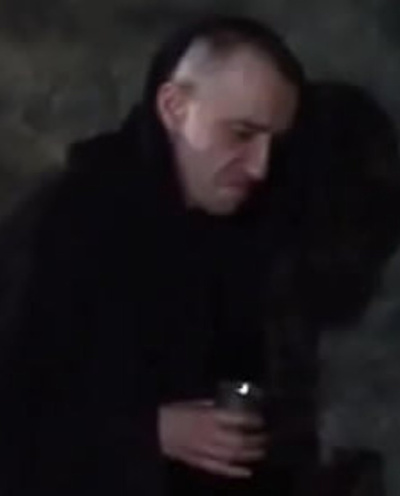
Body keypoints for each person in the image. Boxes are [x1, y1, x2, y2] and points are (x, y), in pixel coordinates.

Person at [0, 16, 398, 496]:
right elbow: (20, 412)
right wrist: (151, 431)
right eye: (241, 134)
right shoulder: (66, 226)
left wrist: (248, 405)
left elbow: (241, 382)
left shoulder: (237, 229)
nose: (259, 167)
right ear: (174, 108)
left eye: (273, 142)